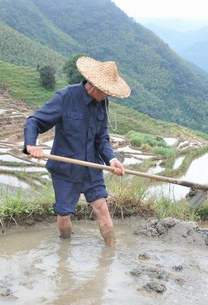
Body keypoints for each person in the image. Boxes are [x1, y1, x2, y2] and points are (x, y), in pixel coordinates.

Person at [24, 56, 131, 247]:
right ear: (97, 87)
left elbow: (101, 139)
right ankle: (64, 249)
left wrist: (111, 159)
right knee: (64, 213)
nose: (109, 97)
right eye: (107, 93)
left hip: (91, 167)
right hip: (65, 168)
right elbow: (35, 121)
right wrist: (31, 145)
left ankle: (112, 252)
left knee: (102, 208)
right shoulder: (66, 97)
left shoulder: (102, 105)